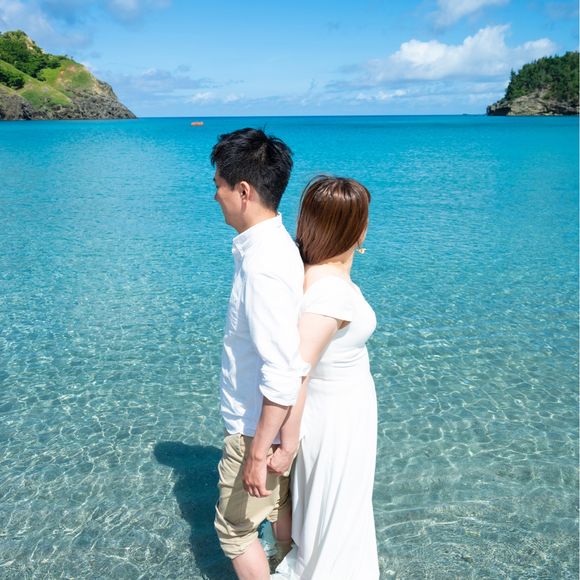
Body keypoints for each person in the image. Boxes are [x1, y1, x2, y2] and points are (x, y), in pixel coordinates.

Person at [269, 176, 380, 579]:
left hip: (341, 415)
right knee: (337, 512)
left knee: (336, 509)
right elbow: (298, 373)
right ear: (356, 228)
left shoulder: (316, 274)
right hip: (335, 422)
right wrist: (287, 444)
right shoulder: (329, 292)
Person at [211, 128, 309, 580]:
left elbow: (282, 368)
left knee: (234, 530)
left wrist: (255, 452)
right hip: (275, 426)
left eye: (220, 184)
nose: (216, 195)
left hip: (256, 426)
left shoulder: (262, 265)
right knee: (277, 506)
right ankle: (289, 568)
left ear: (244, 191)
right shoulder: (280, 246)